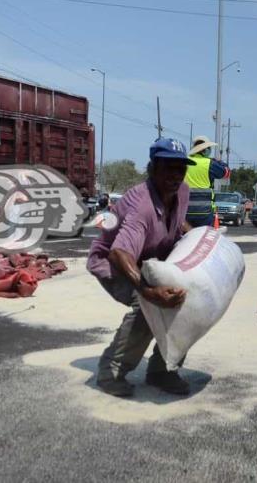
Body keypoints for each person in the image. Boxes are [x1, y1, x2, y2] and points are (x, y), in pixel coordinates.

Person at [87, 138, 194, 398]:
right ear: (153, 168)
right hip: (113, 263)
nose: (175, 176)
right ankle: (110, 372)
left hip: (149, 261)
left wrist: (198, 238)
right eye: (168, 168)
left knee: (184, 300)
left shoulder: (182, 192)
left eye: (180, 169)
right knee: (148, 307)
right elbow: (118, 253)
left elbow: (179, 223)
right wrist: (148, 292)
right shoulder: (141, 206)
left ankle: (162, 370)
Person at [184, 135, 229, 227]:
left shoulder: (184, 162)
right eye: (209, 148)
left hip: (185, 210)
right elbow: (226, 173)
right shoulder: (209, 164)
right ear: (205, 150)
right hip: (205, 212)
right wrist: (219, 163)